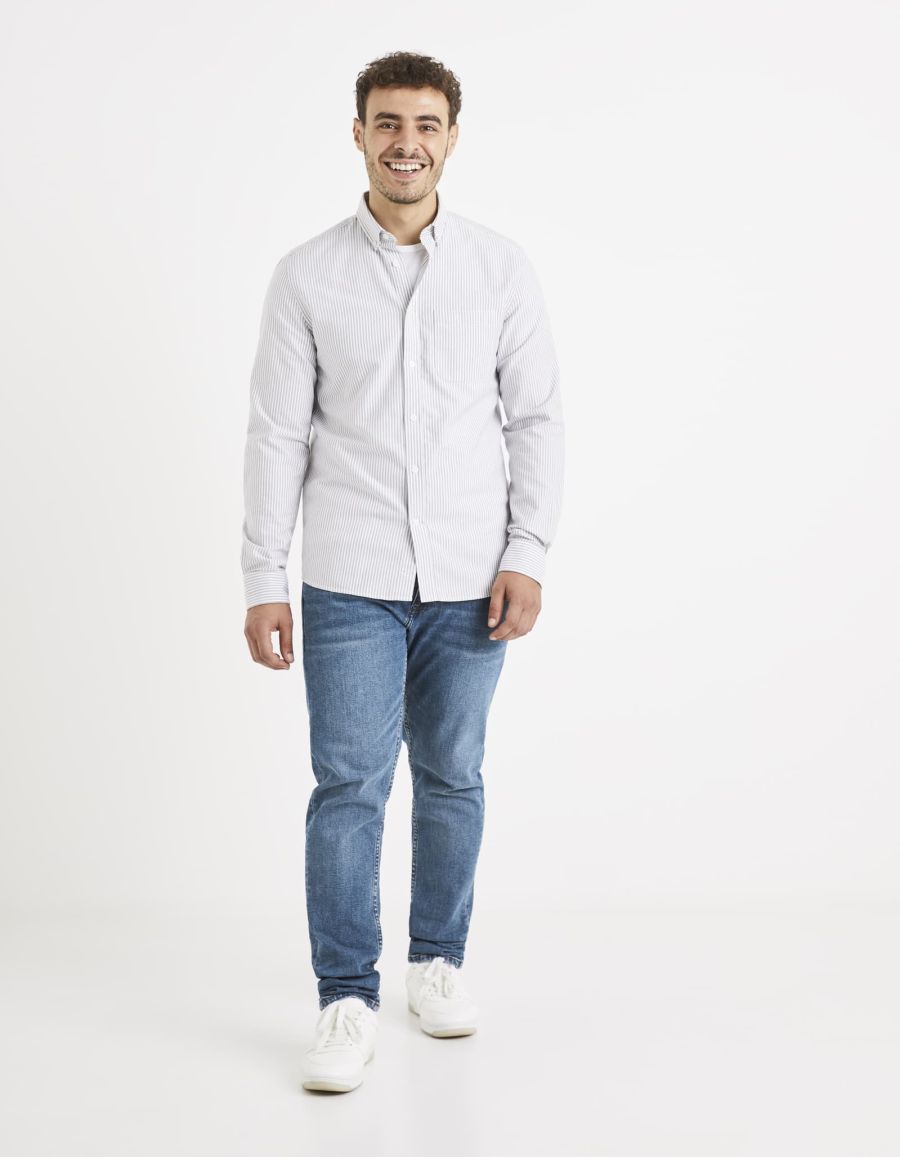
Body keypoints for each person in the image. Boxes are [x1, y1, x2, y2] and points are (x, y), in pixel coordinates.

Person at [241, 50, 565, 1094]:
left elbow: (535, 418)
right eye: (387, 122)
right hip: (349, 577)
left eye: (426, 124)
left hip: (474, 578)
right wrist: (263, 574)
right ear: (359, 134)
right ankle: (345, 993)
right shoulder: (307, 275)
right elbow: (276, 432)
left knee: (454, 773)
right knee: (349, 785)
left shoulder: (499, 269)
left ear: (452, 137)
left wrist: (527, 552)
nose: (406, 142)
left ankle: (437, 961)